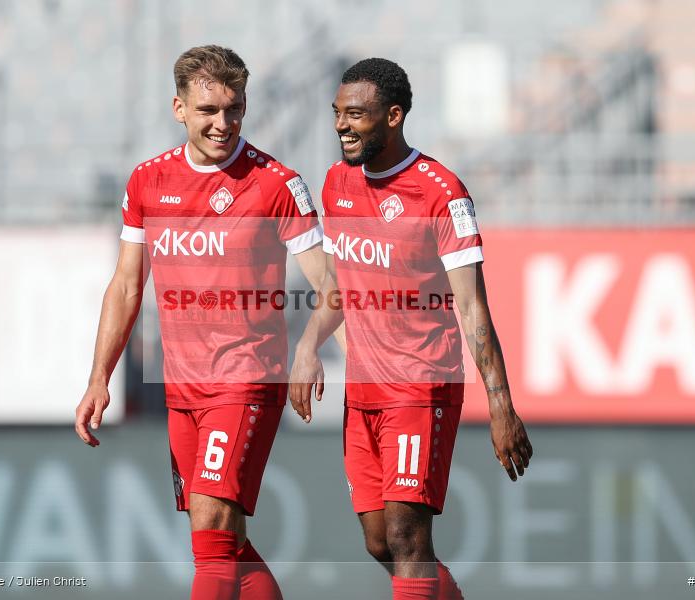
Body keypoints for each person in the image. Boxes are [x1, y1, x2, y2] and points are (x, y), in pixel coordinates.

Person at [75, 45, 329, 600]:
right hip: (183, 386)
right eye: (210, 110)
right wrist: (99, 378)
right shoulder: (147, 182)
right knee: (222, 542)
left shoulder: (275, 184)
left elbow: (332, 285)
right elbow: (125, 286)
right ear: (180, 108)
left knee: (213, 535)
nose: (223, 123)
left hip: (246, 379)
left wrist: (308, 349)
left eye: (235, 109)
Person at [289, 58, 534, 600]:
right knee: (381, 543)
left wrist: (501, 405)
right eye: (337, 114)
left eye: (356, 114)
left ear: (394, 116)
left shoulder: (441, 193)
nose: (341, 126)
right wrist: (308, 345)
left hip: (421, 385)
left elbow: (473, 309)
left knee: (407, 538)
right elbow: (340, 285)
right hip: (363, 389)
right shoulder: (337, 183)